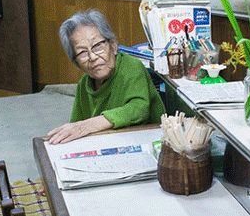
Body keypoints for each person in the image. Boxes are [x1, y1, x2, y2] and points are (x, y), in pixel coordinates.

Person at [48, 10, 166, 144]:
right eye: (82, 53)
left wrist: (90, 125)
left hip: (144, 141)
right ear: (77, 63)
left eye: (97, 46)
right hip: (106, 144)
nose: (92, 57)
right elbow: (76, 126)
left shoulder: (132, 67)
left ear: (114, 46)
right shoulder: (84, 85)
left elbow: (139, 109)